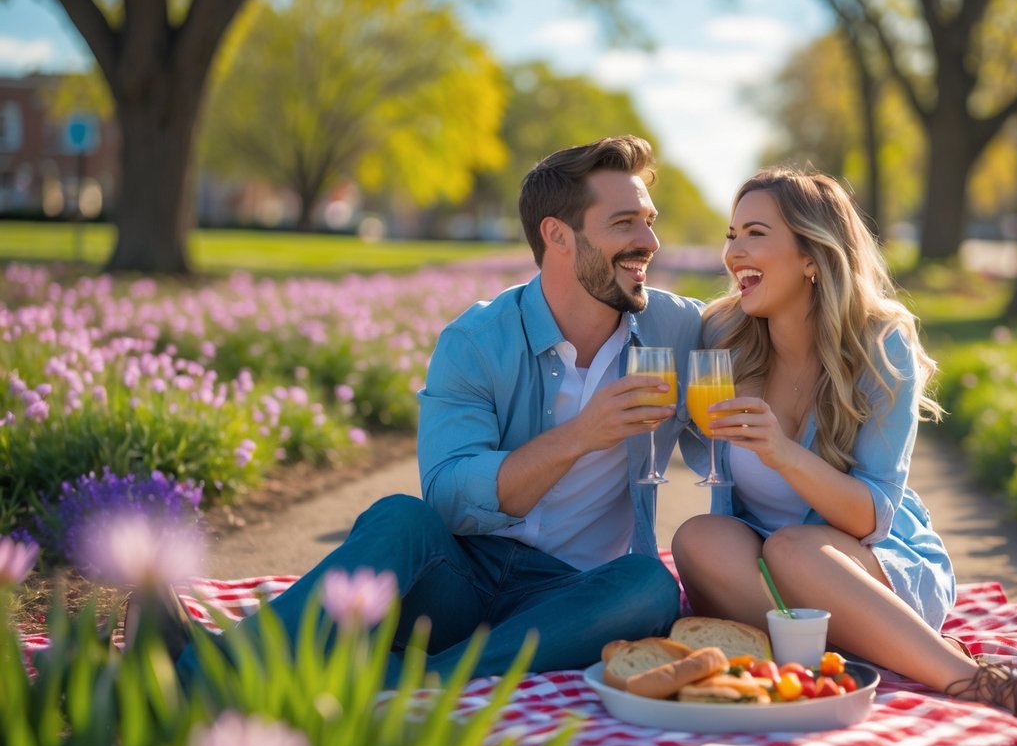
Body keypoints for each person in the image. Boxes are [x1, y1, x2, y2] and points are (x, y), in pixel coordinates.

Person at [169, 135, 704, 684]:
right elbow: (448, 499)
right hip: (457, 581)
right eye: (625, 223)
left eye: (649, 220)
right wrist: (581, 435)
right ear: (557, 235)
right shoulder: (475, 340)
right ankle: (210, 671)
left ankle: (416, 680)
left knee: (649, 586)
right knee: (399, 518)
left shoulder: (679, 330)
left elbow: (769, 325)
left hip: (568, 599)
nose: (650, 241)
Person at [671, 167, 1017, 731]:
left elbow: (871, 516)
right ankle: (818, 667)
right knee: (697, 538)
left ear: (812, 255)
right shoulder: (722, 338)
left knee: (795, 550)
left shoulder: (881, 344)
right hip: (759, 566)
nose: (734, 251)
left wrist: (782, 451)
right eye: (731, 233)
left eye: (754, 233)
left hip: (869, 563)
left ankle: (977, 680)